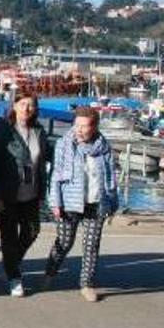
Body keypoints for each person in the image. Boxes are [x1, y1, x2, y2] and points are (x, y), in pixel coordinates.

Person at [43, 106, 119, 303]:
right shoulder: (64, 144)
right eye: (77, 125)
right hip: (70, 200)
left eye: (84, 126)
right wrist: (55, 202)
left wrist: (112, 202)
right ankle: (50, 272)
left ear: (94, 127)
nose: (79, 130)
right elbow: (55, 175)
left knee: (91, 244)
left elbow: (111, 177)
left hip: (96, 200)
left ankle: (86, 284)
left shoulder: (104, 147)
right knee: (65, 242)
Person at [0, 92, 50, 298]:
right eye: (23, 104)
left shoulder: (39, 131)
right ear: (14, 106)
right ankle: (14, 277)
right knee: (9, 236)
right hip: (8, 193)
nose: (26, 109)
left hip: (31, 193)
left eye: (31, 105)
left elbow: (46, 157)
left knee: (32, 230)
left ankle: (10, 262)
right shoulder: (2, 131)